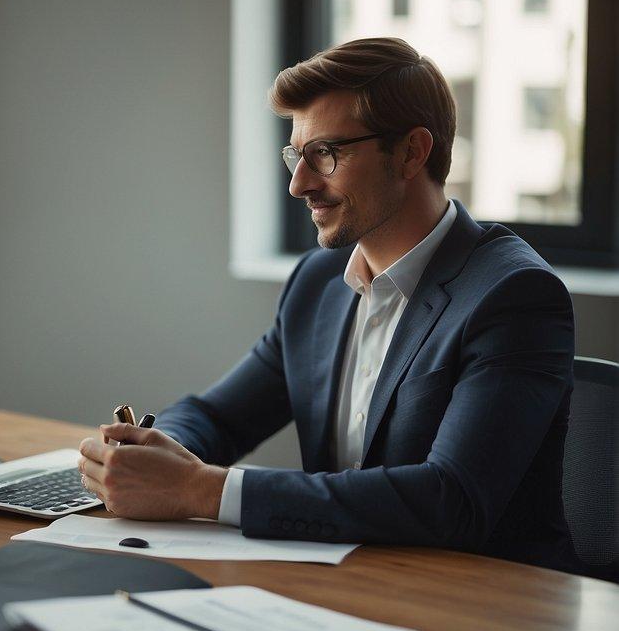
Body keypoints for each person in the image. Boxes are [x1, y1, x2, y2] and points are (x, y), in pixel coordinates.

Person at [77, 37, 578, 572]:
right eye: (297, 154)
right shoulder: (318, 282)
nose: (299, 184)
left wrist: (204, 490)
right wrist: (154, 454)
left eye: (326, 155)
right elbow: (217, 415)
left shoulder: (513, 295)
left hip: (488, 609)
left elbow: (452, 499)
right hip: (346, 583)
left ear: (412, 152)